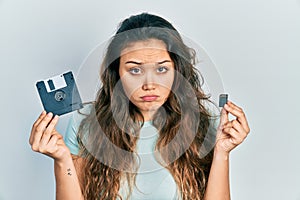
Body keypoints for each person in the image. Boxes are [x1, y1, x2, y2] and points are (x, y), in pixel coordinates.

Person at [29, 13, 250, 200]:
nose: (149, 84)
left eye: (162, 69)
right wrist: (62, 159)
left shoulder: (206, 118)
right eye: (135, 70)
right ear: (116, 74)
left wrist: (222, 152)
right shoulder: (85, 120)